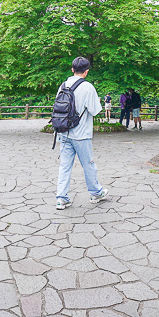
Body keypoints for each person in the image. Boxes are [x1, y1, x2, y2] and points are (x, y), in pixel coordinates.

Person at [55, 56, 109, 210]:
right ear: (86, 72)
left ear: (72, 69)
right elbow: (95, 110)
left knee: (65, 166)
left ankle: (61, 198)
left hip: (64, 132)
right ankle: (96, 193)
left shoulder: (63, 85)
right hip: (81, 134)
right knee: (88, 165)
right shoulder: (88, 87)